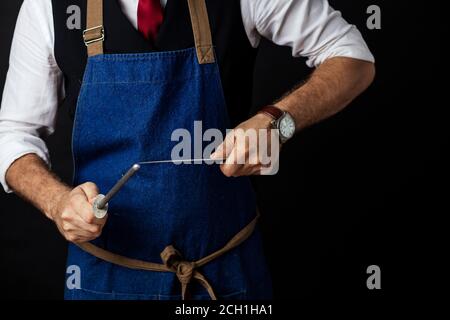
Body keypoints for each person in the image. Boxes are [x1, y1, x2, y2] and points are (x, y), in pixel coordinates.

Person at [0, 0, 375, 300]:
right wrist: (56, 201)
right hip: (103, 280)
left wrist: (277, 121)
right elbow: (14, 133)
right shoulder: (48, 7)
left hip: (225, 278)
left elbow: (353, 60)